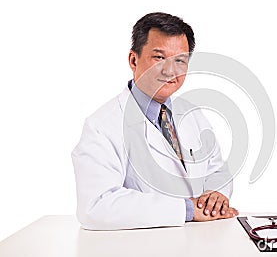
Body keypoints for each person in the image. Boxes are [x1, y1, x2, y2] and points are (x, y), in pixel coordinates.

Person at [72, 12, 238, 230]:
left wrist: (216, 195)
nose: (170, 71)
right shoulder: (101, 126)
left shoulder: (192, 114)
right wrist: (187, 210)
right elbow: (96, 206)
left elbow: (217, 170)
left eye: (180, 60)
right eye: (159, 57)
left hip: (200, 243)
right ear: (134, 60)